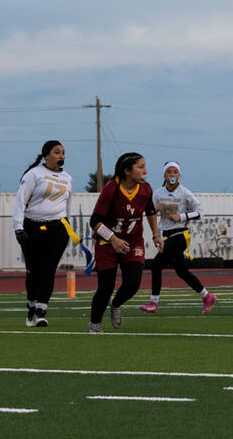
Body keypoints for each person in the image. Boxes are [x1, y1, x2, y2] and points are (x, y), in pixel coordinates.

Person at [88, 152, 161, 333]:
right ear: (127, 171)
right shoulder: (111, 189)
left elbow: (151, 212)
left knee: (133, 282)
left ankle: (117, 304)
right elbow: (95, 221)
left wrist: (155, 235)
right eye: (141, 167)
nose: (145, 170)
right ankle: (95, 324)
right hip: (107, 243)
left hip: (133, 242)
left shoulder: (146, 189)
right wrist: (113, 239)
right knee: (105, 287)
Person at [13, 140, 74, 327]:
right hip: (32, 227)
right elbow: (20, 200)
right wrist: (18, 227)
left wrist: (67, 225)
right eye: (57, 152)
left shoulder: (67, 177)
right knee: (34, 271)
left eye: (63, 153)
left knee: (48, 270)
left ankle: (41, 310)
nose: (61, 156)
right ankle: (31, 305)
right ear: (46, 155)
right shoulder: (35, 174)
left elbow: (67, 204)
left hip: (57, 228)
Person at [141, 162, 216, 315]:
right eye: (169, 172)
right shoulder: (157, 194)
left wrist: (181, 216)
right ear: (164, 175)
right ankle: (207, 296)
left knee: (156, 264)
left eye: (175, 172)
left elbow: (200, 212)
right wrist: (157, 211)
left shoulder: (185, 193)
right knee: (181, 271)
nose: (172, 175)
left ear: (179, 175)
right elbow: (151, 213)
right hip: (166, 235)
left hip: (181, 235)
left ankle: (153, 303)